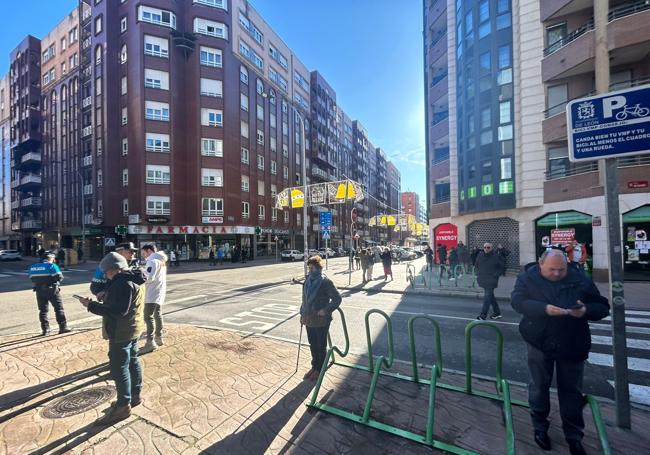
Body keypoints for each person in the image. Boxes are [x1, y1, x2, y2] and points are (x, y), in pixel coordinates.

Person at [511, 249, 609, 455]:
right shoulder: (527, 278)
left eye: (561, 270)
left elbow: (602, 306)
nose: (556, 273)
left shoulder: (580, 278)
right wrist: (544, 309)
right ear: (540, 265)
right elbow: (518, 302)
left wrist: (585, 311)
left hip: (572, 341)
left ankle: (574, 436)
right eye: (551, 270)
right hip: (538, 340)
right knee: (538, 386)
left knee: (571, 391)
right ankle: (539, 427)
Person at [78, 252, 146, 426]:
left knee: (119, 367)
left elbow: (117, 311)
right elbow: (125, 304)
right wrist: (105, 295)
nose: (106, 275)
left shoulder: (122, 284)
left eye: (107, 272)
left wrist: (91, 305)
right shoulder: (134, 278)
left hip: (121, 332)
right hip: (133, 328)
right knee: (133, 361)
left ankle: (123, 405)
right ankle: (135, 395)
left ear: (114, 270)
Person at [300, 255, 342, 381]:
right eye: (309, 268)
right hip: (309, 317)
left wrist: (326, 310)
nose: (310, 271)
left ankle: (320, 369)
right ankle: (314, 366)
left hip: (321, 319)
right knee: (312, 344)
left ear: (318, 269)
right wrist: (302, 314)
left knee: (320, 345)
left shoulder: (325, 282)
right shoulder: (307, 281)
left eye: (312, 268)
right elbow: (304, 299)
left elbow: (337, 299)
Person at [29, 252, 71, 336]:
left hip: (39, 291)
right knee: (59, 309)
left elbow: (32, 279)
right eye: (53, 258)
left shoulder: (33, 266)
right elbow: (60, 277)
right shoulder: (51, 266)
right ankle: (63, 327)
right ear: (50, 258)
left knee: (43, 311)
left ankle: (45, 330)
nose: (54, 260)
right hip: (52, 290)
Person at [140, 245, 168, 352]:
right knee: (158, 315)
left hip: (151, 293)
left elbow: (148, 278)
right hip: (159, 292)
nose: (144, 255)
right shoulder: (162, 261)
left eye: (144, 253)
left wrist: (141, 273)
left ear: (149, 251)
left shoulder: (152, 261)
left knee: (148, 317)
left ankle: (150, 342)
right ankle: (159, 337)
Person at [475, 243, 504, 320]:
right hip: (482, 279)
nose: (486, 249)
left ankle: (483, 315)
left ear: (491, 248)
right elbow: (476, 265)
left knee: (487, 296)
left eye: (488, 247)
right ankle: (497, 313)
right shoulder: (480, 255)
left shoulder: (496, 256)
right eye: (484, 247)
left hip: (491, 280)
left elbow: (502, 267)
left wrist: (495, 275)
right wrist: (477, 273)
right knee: (490, 297)